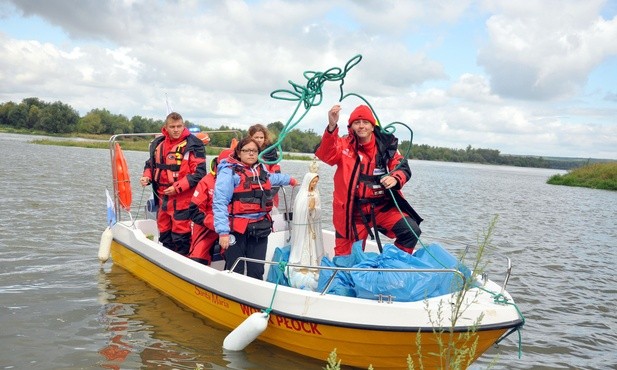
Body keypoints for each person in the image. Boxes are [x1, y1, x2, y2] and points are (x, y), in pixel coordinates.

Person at [314, 104, 423, 256]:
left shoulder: (387, 146)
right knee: (347, 258)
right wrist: (332, 126)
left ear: (373, 126)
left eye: (365, 122)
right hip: (352, 213)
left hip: (382, 208)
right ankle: (349, 273)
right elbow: (326, 154)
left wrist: (395, 178)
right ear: (351, 126)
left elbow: (401, 166)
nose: (361, 126)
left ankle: (391, 268)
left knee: (411, 231)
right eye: (356, 123)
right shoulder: (344, 144)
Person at [213, 137, 297, 280]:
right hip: (237, 229)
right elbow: (219, 202)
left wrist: (290, 180)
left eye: (254, 151)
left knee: (257, 270)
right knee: (235, 270)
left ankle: (253, 297)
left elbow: (271, 179)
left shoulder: (261, 169)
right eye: (247, 150)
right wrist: (223, 232)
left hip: (259, 227)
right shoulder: (229, 172)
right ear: (239, 153)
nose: (251, 154)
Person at [140, 112, 208, 256]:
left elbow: (199, 173)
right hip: (162, 197)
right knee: (164, 233)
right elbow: (150, 164)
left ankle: (183, 261)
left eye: (179, 126)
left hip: (183, 198)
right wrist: (146, 177)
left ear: (183, 126)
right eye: (172, 127)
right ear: (166, 127)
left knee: (181, 236)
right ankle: (166, 259)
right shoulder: (158, 144)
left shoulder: (194, 144)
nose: (176, 130)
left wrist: (177, 188)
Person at [187, 148, 234, 265]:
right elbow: (194, 211)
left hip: (231, 226)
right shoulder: (206, 181)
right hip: (207, 225)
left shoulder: (240, 180)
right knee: (198, 257)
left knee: (233, 256)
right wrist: (216, 223)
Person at [286, 167, 324, 291]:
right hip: (303, 228)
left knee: (312, 245)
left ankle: (313, 265)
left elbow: (318, 211)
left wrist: (314, 209)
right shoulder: (301, 195)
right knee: (304, 246)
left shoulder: (316, 194)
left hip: (312, 226)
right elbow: (298, 211)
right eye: (313, 181)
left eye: (316, 182)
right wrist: (307, 208)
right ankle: (302, 265)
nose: (314, 184)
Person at [248, 124, 282, 208]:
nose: (259, 140)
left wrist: (266, 196)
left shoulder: (271, 153)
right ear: (251, 137)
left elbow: (276, 176)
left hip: (268, 193)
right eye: (256, 137)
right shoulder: (244, 151)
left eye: (261, 137)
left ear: (265, 138)